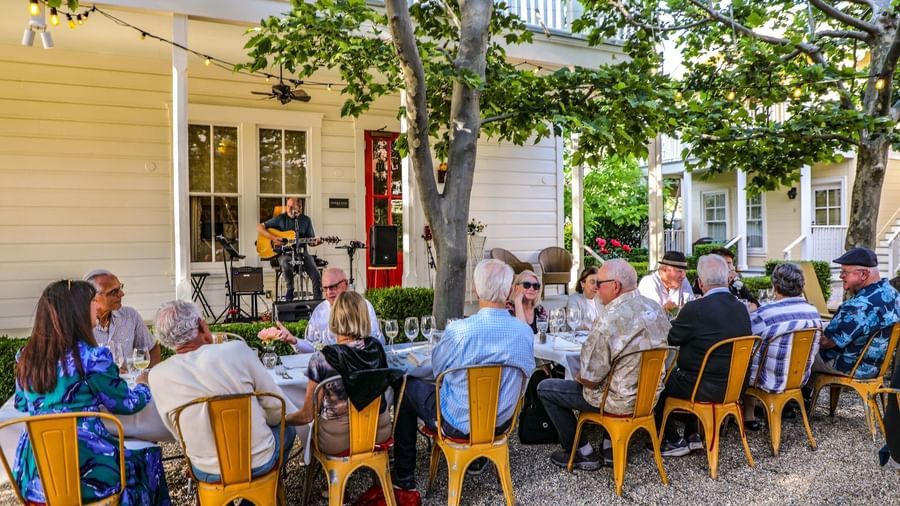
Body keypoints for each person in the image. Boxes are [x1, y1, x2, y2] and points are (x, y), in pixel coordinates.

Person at [14, 280, 170, 505]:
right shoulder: (92, 358)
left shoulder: (26, 358)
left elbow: (21, 404)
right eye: (92, 302)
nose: (97, 307)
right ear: (75, 311)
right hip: (89, 468)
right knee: (149, 458)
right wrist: (144, 385)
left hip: (38, 474)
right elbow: (126, 404)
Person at [392, 259, 534, 493]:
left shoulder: (460, 331)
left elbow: (438, 371)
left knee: (407, 385)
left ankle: (404, 476)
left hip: (457, 424)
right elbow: (524, 380)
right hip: (500, 423)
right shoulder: (524, 333)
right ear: (509, 291)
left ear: (476, 290)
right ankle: (477, 457)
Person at [149, 300, 302, 482]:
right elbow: (278, 409)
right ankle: (265, 490)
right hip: (258, 462)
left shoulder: (156, 375)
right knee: (288, 427)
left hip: (205, 470)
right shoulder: (236, 351)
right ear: (201, 326)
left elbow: (177, 433)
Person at [538, 260, 670, 469]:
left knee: (546, 388)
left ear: (615, 286)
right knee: (616, 375)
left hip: (618, 401)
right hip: (649, 398)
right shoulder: (654, 308)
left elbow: (590, 378)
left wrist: (577, 374)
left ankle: (581, 451)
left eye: (599, 284)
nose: (596, 289)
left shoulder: (609, 318)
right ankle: (609, 446)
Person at [655, 255, 752, 456]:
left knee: (657, 383)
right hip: (735, 388)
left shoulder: (695, 309)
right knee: (695, 369)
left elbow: (671, 338)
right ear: (726, 280)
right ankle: (693, 434)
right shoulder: (742, 308)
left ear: (700, 283)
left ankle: (671, 440)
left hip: (703, 387)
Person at [294, 291, 399, 454]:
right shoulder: (376, 348)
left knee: (306, 427)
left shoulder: (323, 358)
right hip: (379, 432)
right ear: (364, 317)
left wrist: (283, 419)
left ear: (335, 318)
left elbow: (307, 415)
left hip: (337, 440)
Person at [742, 263, 822, 430]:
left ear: (775, 286)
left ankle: (748, 414)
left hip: (769, 379)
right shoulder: (813, 311)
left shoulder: (766, 313)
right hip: (798, 378)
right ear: (801, 286)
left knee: (745, 354)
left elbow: (744, 334)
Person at [813, 247, 900, 379]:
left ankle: (796, 398)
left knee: (797, 356)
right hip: (876, 365)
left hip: (852, 366)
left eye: (844, 272)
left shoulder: (859, 306)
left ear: (864, 274)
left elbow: (826, 342)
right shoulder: (892, 293)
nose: (841, 276)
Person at [272, 267, 384, 351]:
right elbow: (313, 347)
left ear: (345, 284)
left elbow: (377, 342)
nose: (329, 292)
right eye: (325, 289)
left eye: (333, 287)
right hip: (330, 371)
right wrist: (294, 341)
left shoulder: (363, 306)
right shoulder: (320, 311)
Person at [84, 269, 161, 367]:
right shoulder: (78, 325)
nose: (121, 294)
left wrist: (146, 375)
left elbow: (152, 348)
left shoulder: (130, 316)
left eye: (120, 288)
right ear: (92, 296)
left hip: (130, 381)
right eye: (113, 292)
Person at [257, 197, 322, 301]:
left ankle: (318, 303)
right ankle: (290, 290)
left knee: (315, 272)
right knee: (285, 263)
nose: (289, 209)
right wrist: (274, 238)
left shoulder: (306, 220)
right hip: (285, 253)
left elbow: (311, 242)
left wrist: (316, 242)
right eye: (288, 206)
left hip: (302, 253)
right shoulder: (280, 219)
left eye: (292, 207)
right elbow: (259, 227)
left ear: (299, 208)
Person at [690, 248, 759, 308]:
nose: (730, 267)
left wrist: (749, 308)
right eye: (726, 263)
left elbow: (753, 301)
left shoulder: (735, 281)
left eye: (730, 263)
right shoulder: (705, 281)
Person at [638, 251, 694, 315]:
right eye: (679, 271)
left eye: (685, 272)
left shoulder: (682, 280)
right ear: (664, 269)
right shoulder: (648, 283)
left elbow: (691, 305)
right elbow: (653, 316)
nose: (683, 276)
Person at [566, 266, 602, 330]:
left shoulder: (601, 300)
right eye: (592, 282)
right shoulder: (574, 300)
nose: (596, 286)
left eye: (598, 283)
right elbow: (574, 323)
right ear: (582, 283)